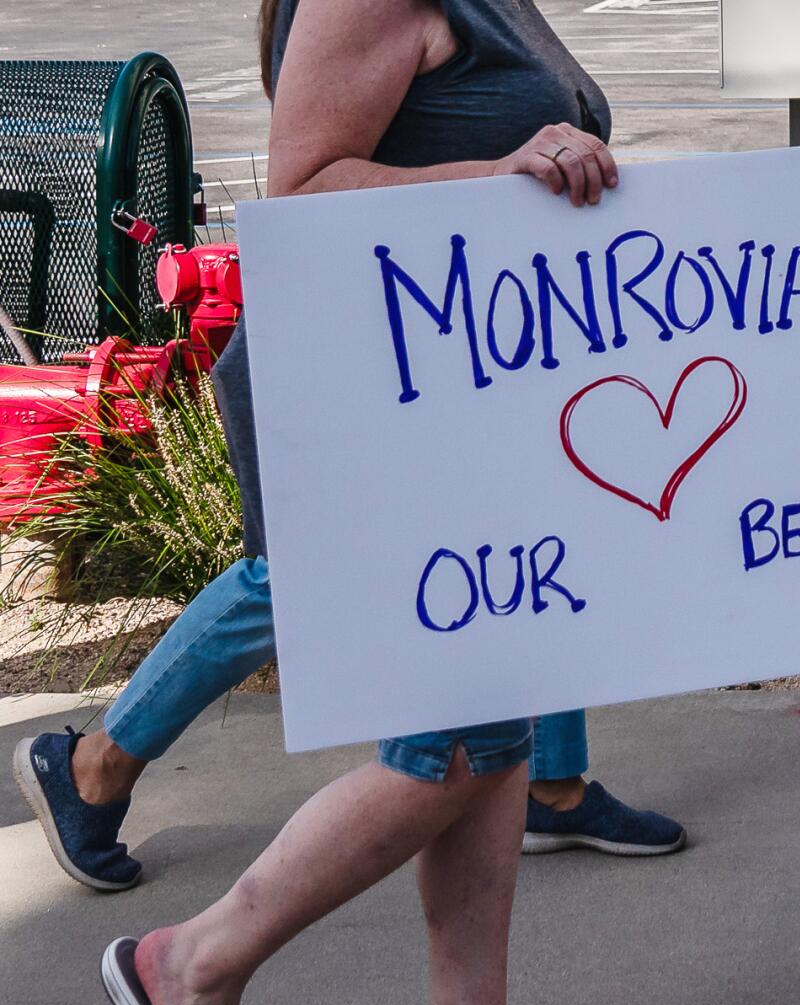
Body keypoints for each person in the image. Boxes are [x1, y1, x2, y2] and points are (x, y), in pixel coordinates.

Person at [87, 0, 659, 1005]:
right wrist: (504, 173)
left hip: (453, 399)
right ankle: (192, 960)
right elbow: (296, 195)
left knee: (489, 724)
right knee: (452, 745)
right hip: (373, 408)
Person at [12, 0, 686, 895]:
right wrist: (499, 175)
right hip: (346, 367)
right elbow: (302, 189)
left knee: (530, 544)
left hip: (457, 355)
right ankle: (93, 767)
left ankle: (551, 790)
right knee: (295, 577)